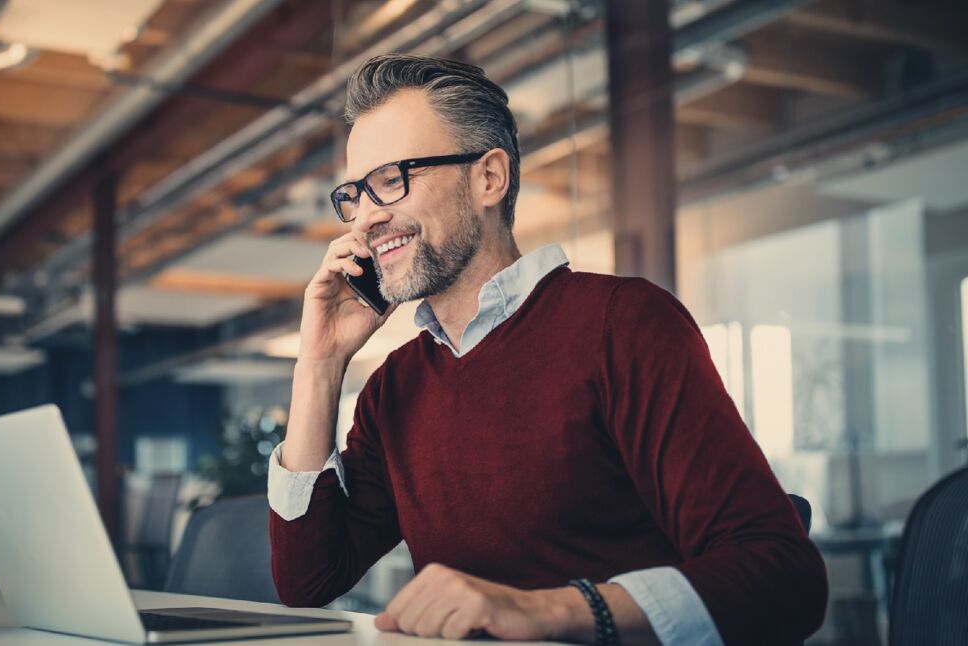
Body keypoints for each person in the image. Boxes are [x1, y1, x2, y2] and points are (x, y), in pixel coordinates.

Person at [267, 54, 827, 645]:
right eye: (356, 194)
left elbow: (784, 577)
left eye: (391, 181)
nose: (368, 219)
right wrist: (321, 363)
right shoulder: (395, 387)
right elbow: (308, 581)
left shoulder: (624, 324)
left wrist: (548, 611)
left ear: (489, 178)